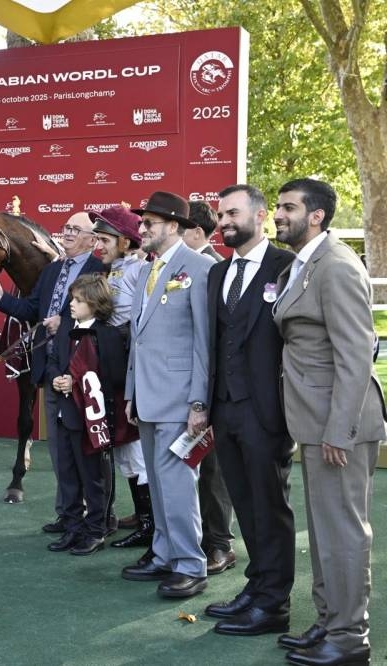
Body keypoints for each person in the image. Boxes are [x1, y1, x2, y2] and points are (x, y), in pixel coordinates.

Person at [272, 178, 385, 666]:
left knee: (342, 532)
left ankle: (349, 638)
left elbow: (358, 353)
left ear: (316, 215)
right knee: (324, 531)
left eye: (288, 207)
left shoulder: (336, 266)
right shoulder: (306, 264)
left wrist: (340, 429)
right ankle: (328, 621)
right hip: (314, 422)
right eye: (278, 206)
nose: (278, 214)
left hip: (339, 426)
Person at [203, 184, 296, 637]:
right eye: (220, 215)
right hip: (225, 409)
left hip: (268, 411)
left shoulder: (288, 265)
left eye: (233, 214)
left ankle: (274, 603)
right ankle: (257, 586)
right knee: (243, 502)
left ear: (260, 216)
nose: (224, 222)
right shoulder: (217, 275)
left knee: (270, 506)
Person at [0, 211, 105, 535]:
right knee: (59, 451)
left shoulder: (101, 271)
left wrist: (64, 323)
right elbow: (30, 310)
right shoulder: (52, 270)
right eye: (66, 227)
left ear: (92, 240)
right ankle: (68, 516)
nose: (65, 233)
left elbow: (105, 320)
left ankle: (96, 522)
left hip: (85, 374)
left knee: (89, 453)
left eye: (75, 229)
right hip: (51, 369)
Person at [121, 191, 212, 599]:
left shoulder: (200, 267)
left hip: (180, 398)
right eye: (142, 224)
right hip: (147, 396)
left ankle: (191, 565)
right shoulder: (145, 271)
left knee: (177, 483)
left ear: (173, 226)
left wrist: (199, 402)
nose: (142, 230)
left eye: (149, 224)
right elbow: (136, 338)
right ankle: (162, 554)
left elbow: (204, 343)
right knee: (156, 482)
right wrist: (131, 393)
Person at [44, 274, 128, 554]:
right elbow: (53, 362)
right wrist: (56, 378)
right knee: (67, 476)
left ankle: (95, 530)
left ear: (94, 303)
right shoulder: (67, 329)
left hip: (92, 421)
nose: (71, 304)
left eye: (78, 300)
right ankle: (72, 528)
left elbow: (114, 379)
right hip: (65, 416)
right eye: (72, 298)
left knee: (93, 478)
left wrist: (77, 382)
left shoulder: (109, 335)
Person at [89, 206, 152, 549]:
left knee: (137, 450)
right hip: (112, 370)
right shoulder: (112, 271)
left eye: (104, 239)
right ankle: (144, 519)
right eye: (97, 238)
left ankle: (150, 524)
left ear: (126, 241)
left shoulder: (139, 270)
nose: (98, 245)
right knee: (126, 451)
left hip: (130, 370)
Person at [184, 199, 237, 575]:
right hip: (185, 383)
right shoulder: (175, 267)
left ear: (198, 233)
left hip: (215, 385)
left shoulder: (214, 268)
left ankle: (219, 543)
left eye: (178, 227)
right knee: (188, 464)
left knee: (213, 466)